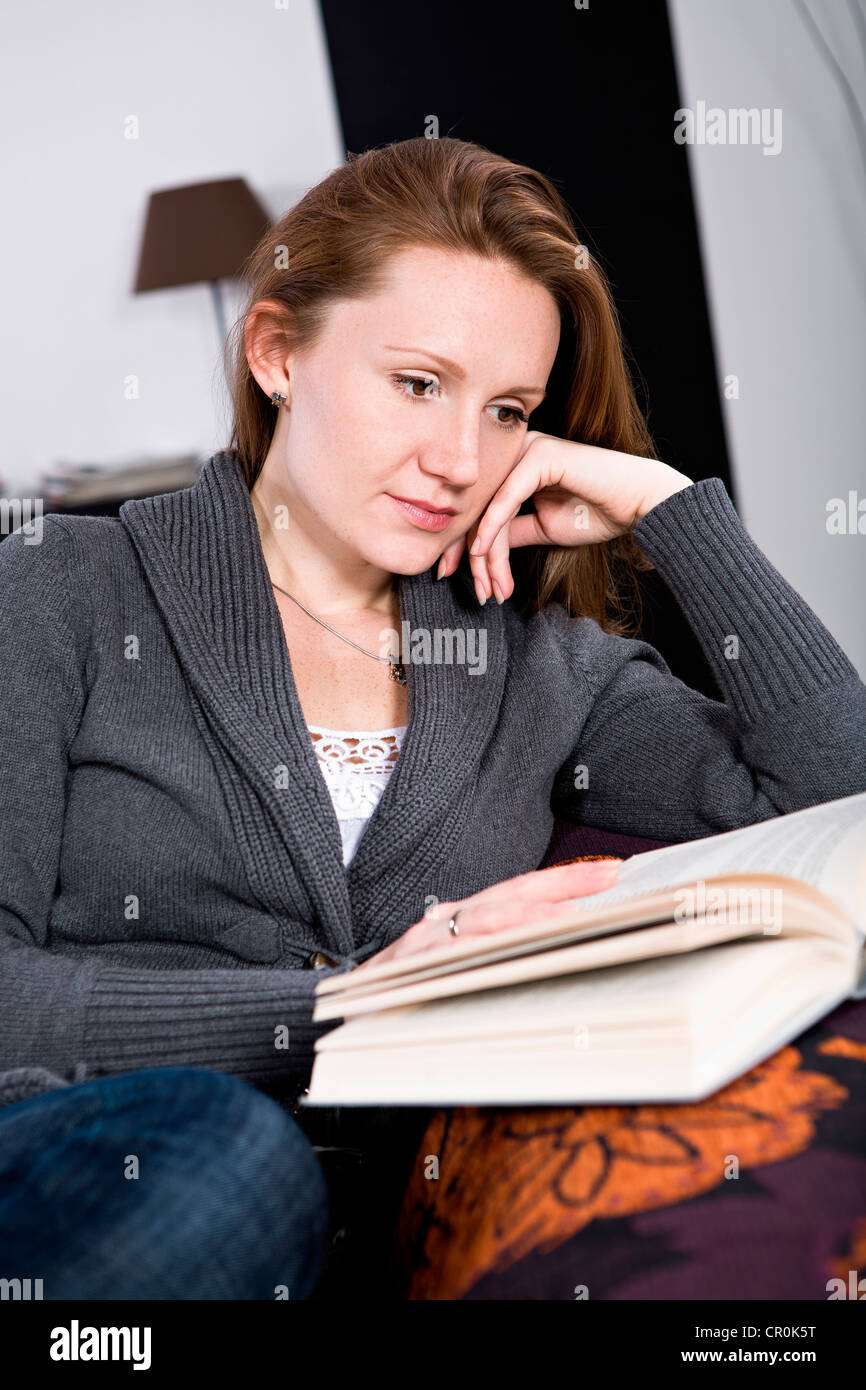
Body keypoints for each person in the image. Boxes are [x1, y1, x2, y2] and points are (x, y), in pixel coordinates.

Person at [0, 136, 864, 1300]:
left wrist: (670, 514)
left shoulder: (542, 669)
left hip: (378, 1230)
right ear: (276, 353)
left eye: (507, 409)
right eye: (418, 382)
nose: (460, 459)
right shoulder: (60, 585)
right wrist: (339, 1006)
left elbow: (834, 798)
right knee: (223, 1157)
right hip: (76, 1172)